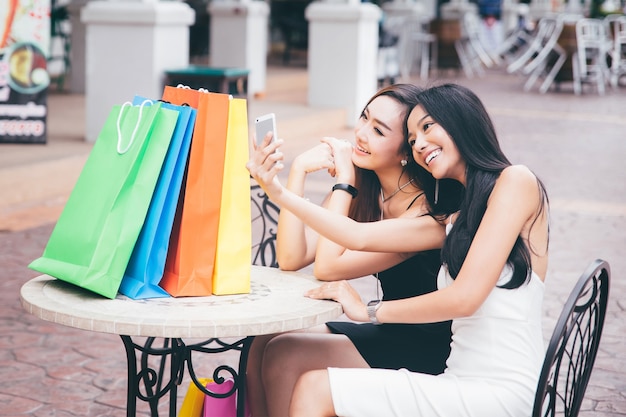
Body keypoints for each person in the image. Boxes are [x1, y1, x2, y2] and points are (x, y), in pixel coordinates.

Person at [247, 83, 549, 417]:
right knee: (272, 344)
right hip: (459, 375)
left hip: (497, 388)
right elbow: (335, 243)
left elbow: (464, 298)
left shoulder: (513, 182)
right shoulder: (456, 216)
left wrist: (368, 310)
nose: (420, 143)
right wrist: (290, 179)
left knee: (311, 383)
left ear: (461, 121)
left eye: (427, 127)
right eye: (413, 137)